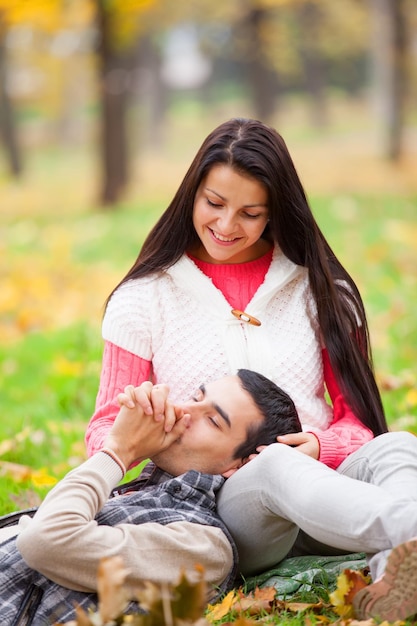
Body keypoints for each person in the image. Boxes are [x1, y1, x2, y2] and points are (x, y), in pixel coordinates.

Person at [84, 116, 417, 623]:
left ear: (275, 213)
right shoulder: (144, 298)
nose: (225, 225)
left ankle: (394, 572)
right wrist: (141, 430)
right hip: (224, 510)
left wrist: (323, 446)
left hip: (327, 495)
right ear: (191, 194)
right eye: (214, 204)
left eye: (250, 213)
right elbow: (104, 432)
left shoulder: (323, 292)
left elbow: (361, 423)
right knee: (275, 468)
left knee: (400, 447)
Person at [0, 369, 301, 626]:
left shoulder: (204, 548)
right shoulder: (144, 492)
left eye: (212, 421)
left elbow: (44, 540)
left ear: (243, 464)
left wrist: (119, 451)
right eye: (196, 398)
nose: (184, 412)